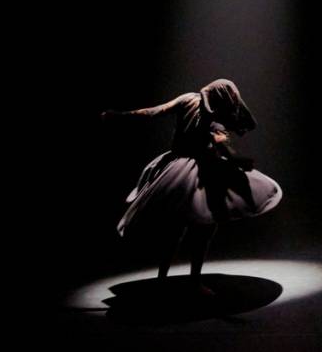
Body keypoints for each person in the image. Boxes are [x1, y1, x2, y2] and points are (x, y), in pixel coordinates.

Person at [103, 79, 281, 294]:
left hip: (175, 167)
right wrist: (236, 161)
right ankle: (194, 282)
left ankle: (162, 280)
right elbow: (220, 144)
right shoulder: (215, 119)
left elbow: (153, 111)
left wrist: (120, 116)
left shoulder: (187, 98)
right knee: (203, 229)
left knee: (174, 230)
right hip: (199, 172)